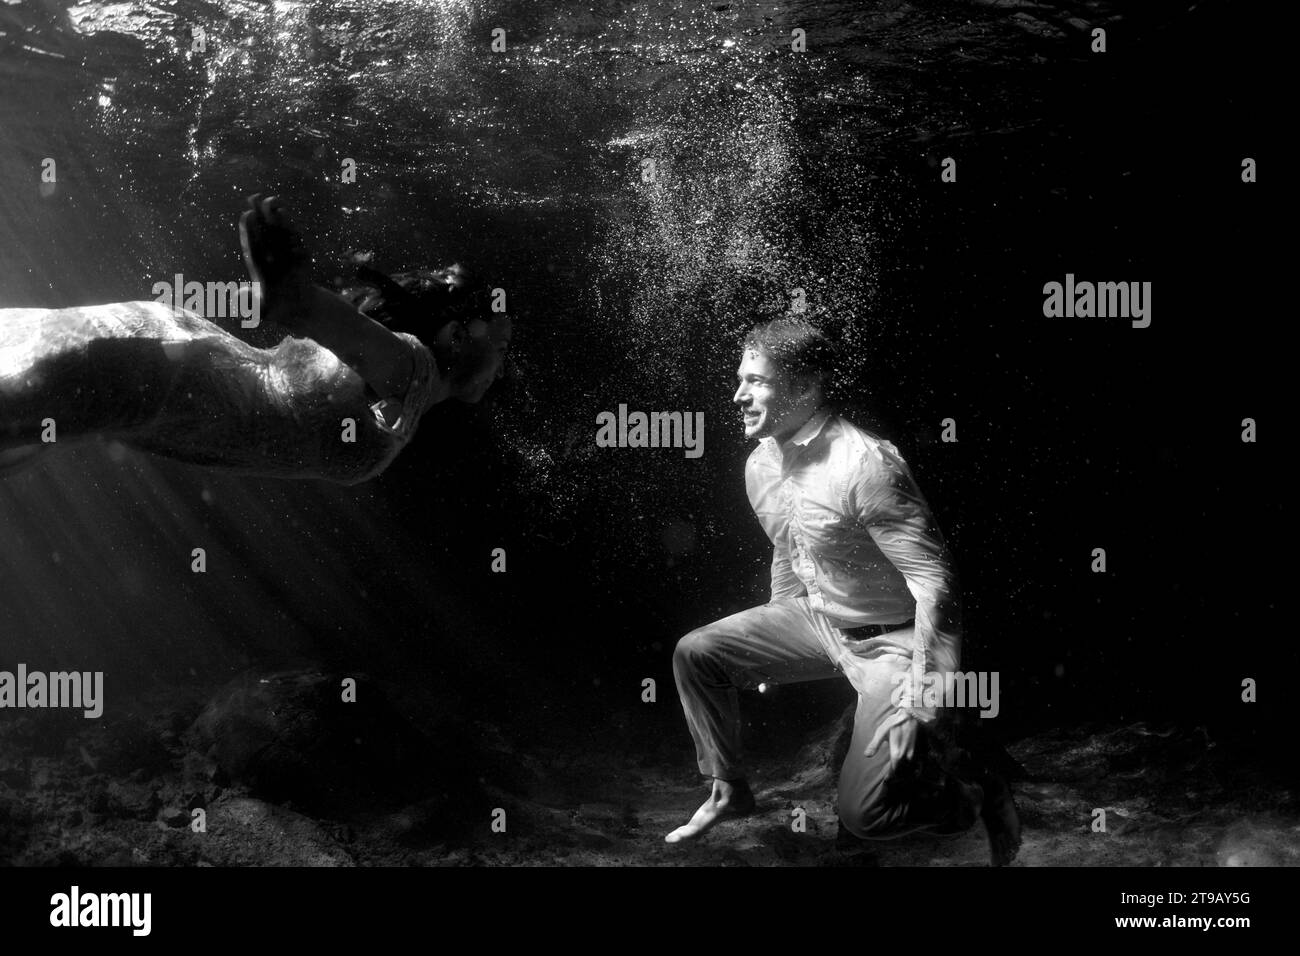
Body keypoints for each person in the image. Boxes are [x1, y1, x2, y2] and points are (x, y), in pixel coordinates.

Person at [666, 316, 1020, 865]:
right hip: (822, 623)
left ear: (805, 388)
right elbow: (790, 551)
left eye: (755, 381)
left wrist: (923, 700)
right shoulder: (761, 462)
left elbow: (936, 582)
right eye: (740, 378)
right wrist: (771, 644)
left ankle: (975, 794)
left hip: (895, 645)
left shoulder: (865, 465)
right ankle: (728, 789)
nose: (737, 395)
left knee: (866, 816)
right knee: (698, 654)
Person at [0, 194, 511, 483]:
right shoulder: (412, 370)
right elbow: (300, 309)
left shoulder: (401, 398)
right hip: (157, 374)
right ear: (457, 335)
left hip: (157, 368)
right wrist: (290, 293)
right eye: (502, 347)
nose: (503, 366)